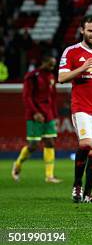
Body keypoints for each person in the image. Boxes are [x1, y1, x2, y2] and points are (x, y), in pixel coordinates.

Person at [58, 15, 92, 203]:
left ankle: (88, 193)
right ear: (82, 30)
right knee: (85, 144)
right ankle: (77, 184)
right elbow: (62, 78)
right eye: (90, 31)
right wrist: (83, 68)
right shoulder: (71, 52)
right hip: (81, 108)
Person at [11, 55, 62, 183]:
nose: (52, 67)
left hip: (48, 114)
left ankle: (49, 176)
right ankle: (17, 164)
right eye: (50, 64)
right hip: (35, 114)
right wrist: (35, 112)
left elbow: (53, 97)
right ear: (43, 62)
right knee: (33, 145)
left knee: (50, 142)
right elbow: (27, 97)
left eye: (53, 65)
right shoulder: (32, 76)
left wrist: (55, 116)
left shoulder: (51, 77)